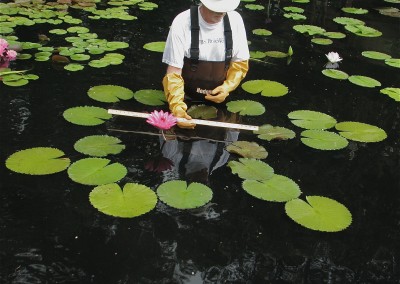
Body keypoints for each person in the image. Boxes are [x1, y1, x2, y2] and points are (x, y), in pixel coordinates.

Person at [161, 0, 250, 129]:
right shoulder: (182, 22)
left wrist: (227, 87)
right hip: (186, 97)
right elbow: (173, 71)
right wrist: (177, 107)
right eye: (216, 8)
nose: (221, 12)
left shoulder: (235, 20)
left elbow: (240, 63)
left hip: (221, 99)